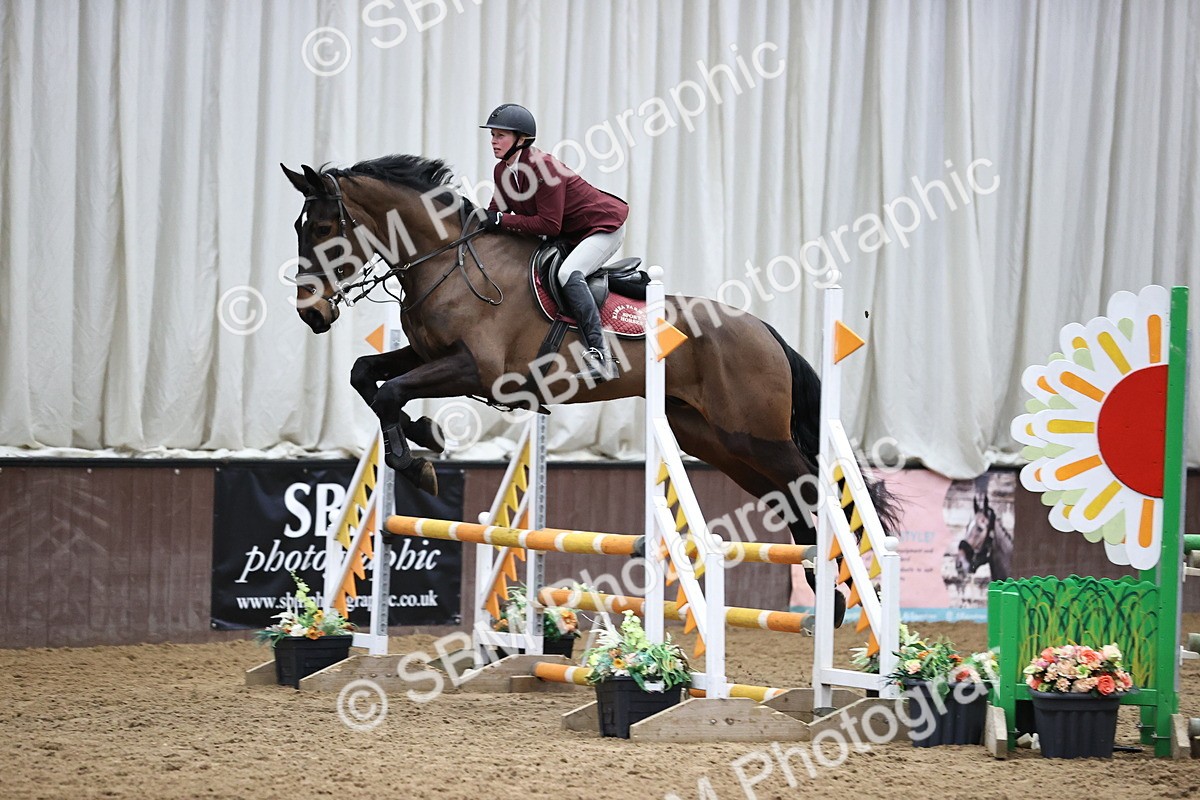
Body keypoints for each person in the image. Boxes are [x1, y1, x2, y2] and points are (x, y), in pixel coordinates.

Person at [478, 103, 629, 383]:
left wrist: (499, 220)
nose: (493, 141)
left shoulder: (544, 167)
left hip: (602, 227)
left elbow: (549, 225)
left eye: (500, 135)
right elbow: (495, 215)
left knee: (567, 274)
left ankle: (601, 357)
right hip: (569, 234)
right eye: (492, 135)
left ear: (521, 140)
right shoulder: (502, 170)